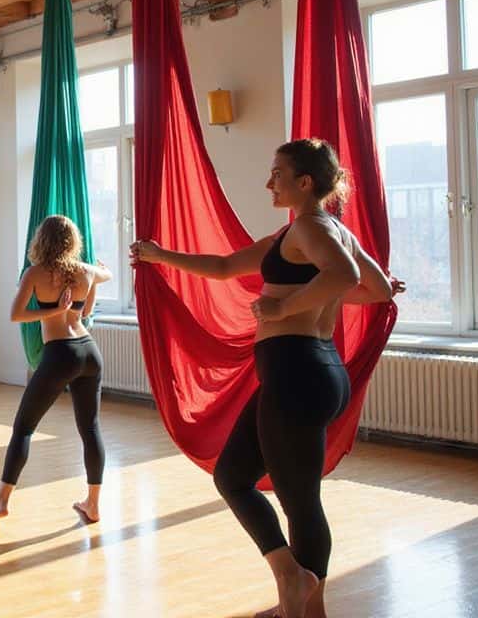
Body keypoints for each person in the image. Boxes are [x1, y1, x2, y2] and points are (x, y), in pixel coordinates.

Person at [131, 138, 404, 618]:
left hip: (298, 373)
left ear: (304, 182)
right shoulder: (317, 232)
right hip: (310, 372)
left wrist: (284, 305)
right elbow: (375, 288)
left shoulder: (312, 228)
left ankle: (301, 598)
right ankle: (295, 583)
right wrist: (159, 256)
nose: (268, 181)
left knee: (300, 502)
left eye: (277, 173)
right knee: (234, 477)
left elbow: (341, 277)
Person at [0, 215, 112, 528]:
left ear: (42, 240)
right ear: (73, 242)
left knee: (24, 428)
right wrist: (98, 272)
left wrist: (54, 309)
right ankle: (92, 505)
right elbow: (93, 299)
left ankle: (1, 503)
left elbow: (16, 314)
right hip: (89, 351)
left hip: (60, 353)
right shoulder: (87, 272)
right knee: (90, 428)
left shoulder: (36, 273)